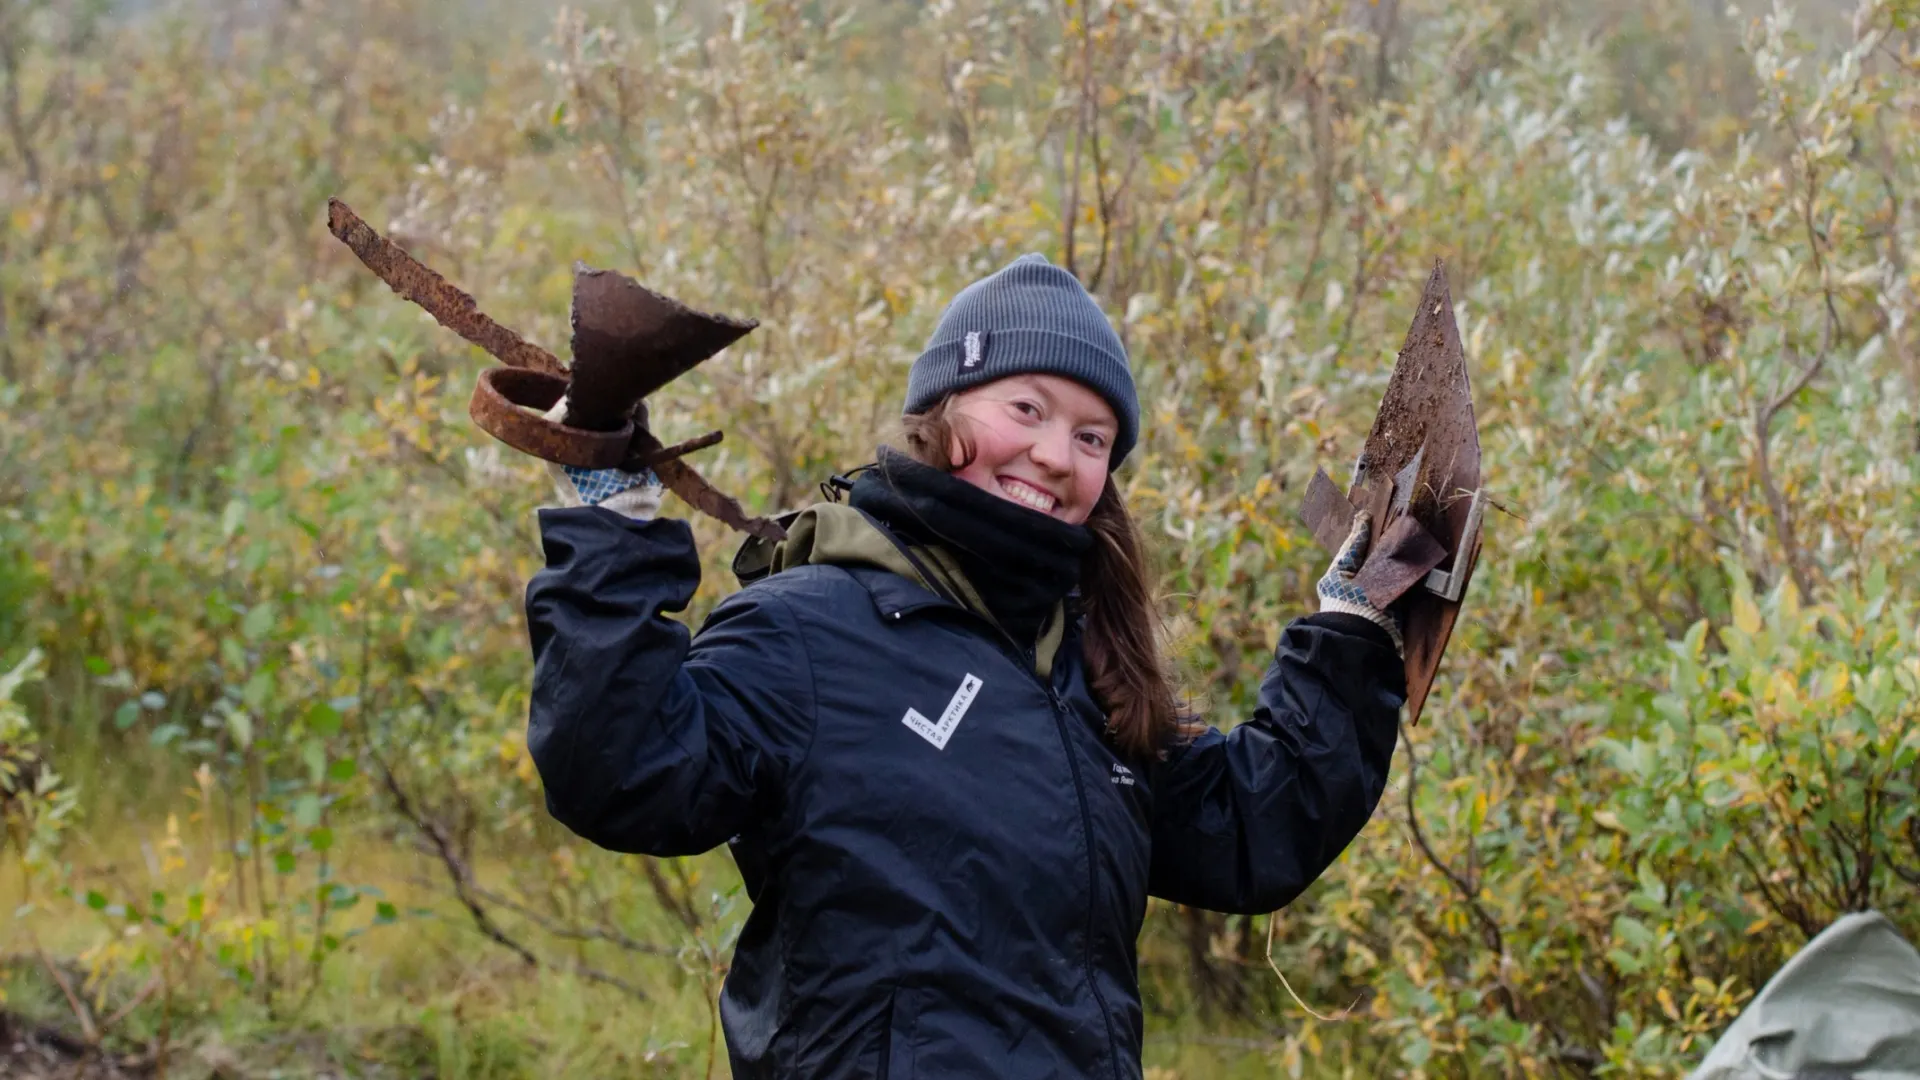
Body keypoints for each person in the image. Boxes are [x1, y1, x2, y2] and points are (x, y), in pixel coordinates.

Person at [524, 254, 1406, 1079]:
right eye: (1027, 410)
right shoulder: (807, 633)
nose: (1057, 456)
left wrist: (1351, 627)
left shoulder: (1079, 671)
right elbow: (626, 768)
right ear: (939, 412)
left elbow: (1250, 831)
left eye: (1093, 438)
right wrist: (611, 520)